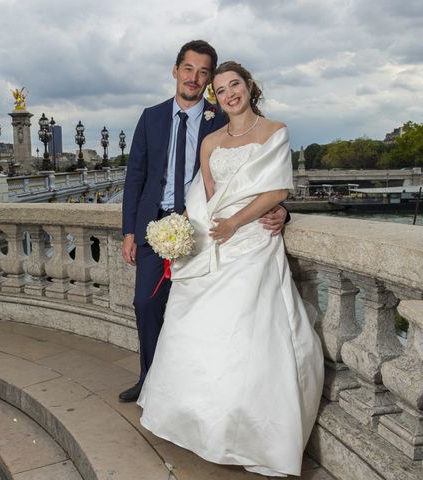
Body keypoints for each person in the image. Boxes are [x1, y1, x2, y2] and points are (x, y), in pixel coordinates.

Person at [137, 61, 324, 477]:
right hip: (217, 239)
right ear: (215, 98)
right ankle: (199, 425)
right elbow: (207, 198)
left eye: (233, 85)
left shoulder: (276, 131)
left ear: (249, 85)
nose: (228, 94)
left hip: (253, 241)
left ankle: (250, 435)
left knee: (249, 333)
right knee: (199, 328)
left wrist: (243, 221)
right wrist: (186, 237)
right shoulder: (211, 143)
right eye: (219, 90)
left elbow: (277, 189)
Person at [120, 41, 288, 403]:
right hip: (155, 227)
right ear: (175, 71)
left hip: (203, 228)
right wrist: (130, 231)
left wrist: (284, 210)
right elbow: (135, 176)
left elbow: (256, 173)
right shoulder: (150, 117)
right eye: (188, 69)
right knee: (146, 305)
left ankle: (192, 390)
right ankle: (150, 378)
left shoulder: (225, 116)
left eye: (203, 72)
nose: (194, 78)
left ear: (210, 79)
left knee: (194, 312)